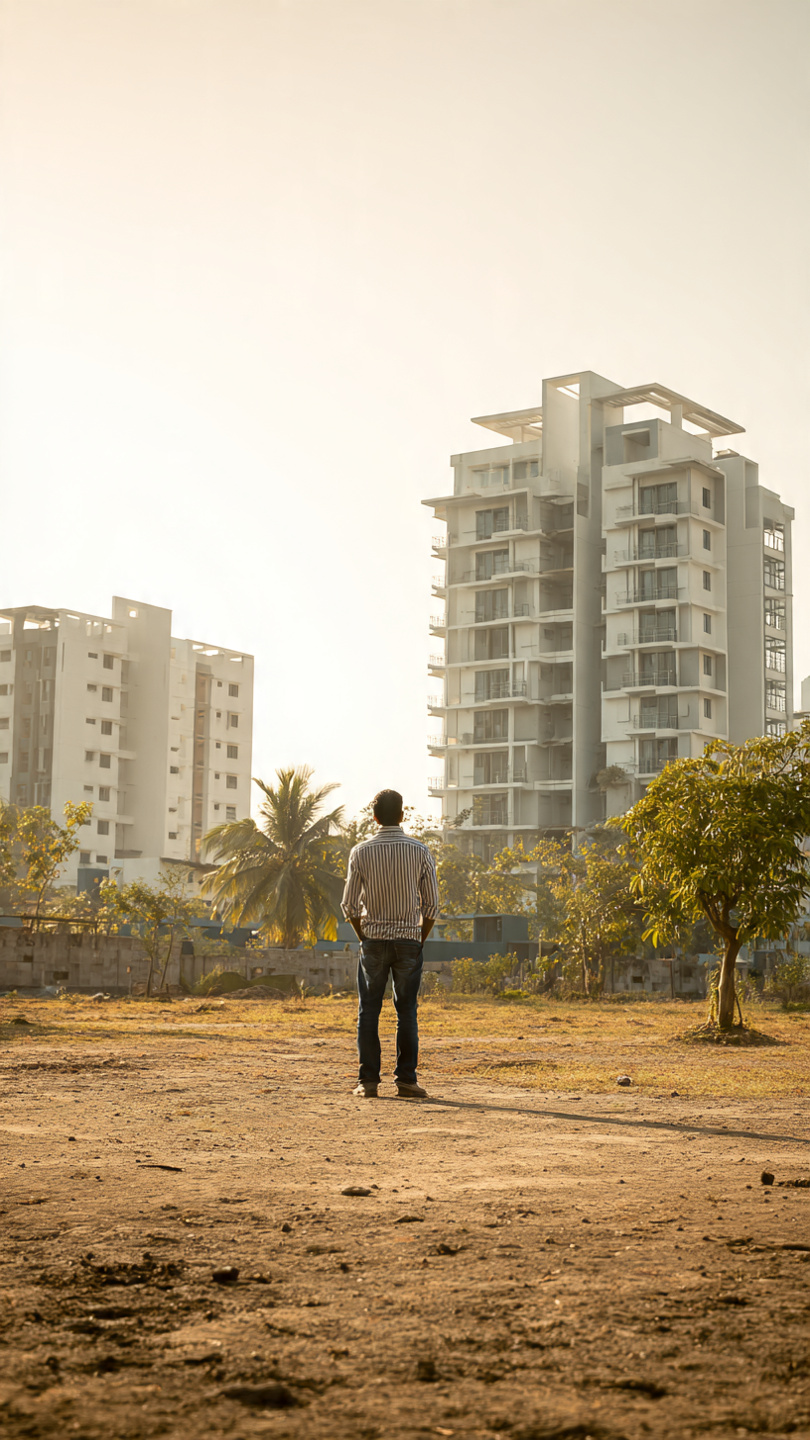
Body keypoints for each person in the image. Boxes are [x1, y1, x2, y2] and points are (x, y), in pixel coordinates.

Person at [341, 789, 439, 1099]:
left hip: (373, 940)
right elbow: (432, 906)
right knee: (406, 1011)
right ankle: (406, 1080)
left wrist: (364, 937)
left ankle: (368, 1082)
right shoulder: (420, 851)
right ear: (402, 815)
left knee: (368, 1012)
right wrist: (417, 938)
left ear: (374, 817)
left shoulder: (361, 851)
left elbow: (349, 906)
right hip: (409, 940)